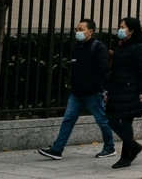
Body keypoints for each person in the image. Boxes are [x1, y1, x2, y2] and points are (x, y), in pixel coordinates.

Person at [38, 19, 115, 161]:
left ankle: (109, 147)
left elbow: (103, 69)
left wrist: (98, 85)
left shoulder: (98, 47)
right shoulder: (77, 47)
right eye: (76, 29)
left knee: (102, 120)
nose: (77, 32)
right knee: (68, 119)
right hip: (77, 92)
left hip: (92, 92)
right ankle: (57, 149)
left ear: (90, 31)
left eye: (81, 29)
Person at [107, 17, 142, 168]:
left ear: (131, 30)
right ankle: (134, 146)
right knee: (111, 120)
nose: (119, 29)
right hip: (117, 89)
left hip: (131, 90)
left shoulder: (139, 47)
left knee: (126, 123)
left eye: (122, 27)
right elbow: (115, 70)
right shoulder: (120, 45)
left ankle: (125, 157)